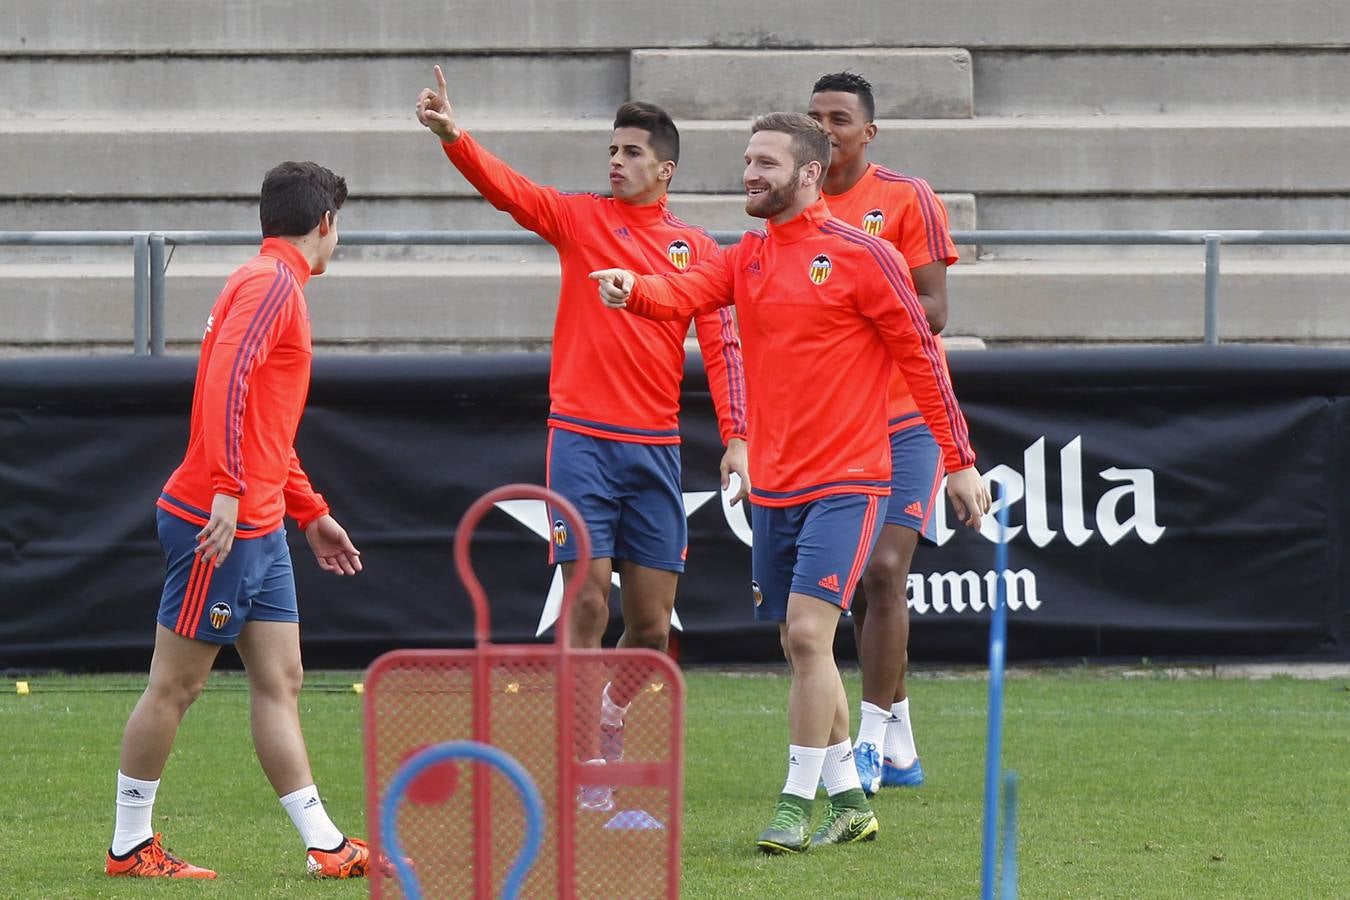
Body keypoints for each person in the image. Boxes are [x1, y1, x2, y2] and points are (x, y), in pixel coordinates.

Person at [590, 113, 990, 854]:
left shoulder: (865, 256)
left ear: (809, 173)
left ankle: (793, 802)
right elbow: (685, 290)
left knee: (809, 636)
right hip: (776, 484)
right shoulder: (747, 258)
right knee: (796, 642)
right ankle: (848, 799)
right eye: (747, 161)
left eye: (766, 162)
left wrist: (958, 459)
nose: (750, 173)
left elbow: (923, 361)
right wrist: (632, 289)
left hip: (852, 478)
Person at [415, 66, 749, 805]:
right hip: (581, 442)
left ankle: (608, 714)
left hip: (656, 450)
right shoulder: (579, 218)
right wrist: (455, 137)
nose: (616, 161)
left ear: (665, 169)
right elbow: (513, 192)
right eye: (613, 149)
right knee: (589, 602)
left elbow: (724, 349)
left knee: (653, 627)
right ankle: (581, 763)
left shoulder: (698, 250)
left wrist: (737, 437)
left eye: (632, 152)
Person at [105, 162, 373, 880]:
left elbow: (266, 424)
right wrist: (227, 489)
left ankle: (324, 844)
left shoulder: (271, 281)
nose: (337, 237)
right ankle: (129, 846)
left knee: (280, 680)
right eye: (338, 225)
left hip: (259, 524)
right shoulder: (271, 284)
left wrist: (309, 511)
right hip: (217, 525)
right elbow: (225, 383)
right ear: (324, 224)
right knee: (176, 686)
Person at [809, 71, 959, 793]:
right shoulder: (794, 207)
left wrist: (857, 310)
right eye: (816, 118)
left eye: (839, 117)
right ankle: (899, 740)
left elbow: (933, 309)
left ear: (868, 132)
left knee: (883, 573)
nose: (826, 128)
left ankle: (868, 743)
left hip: (907, 418)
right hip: (835, 424)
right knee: (845, 595)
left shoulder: (905, 198)